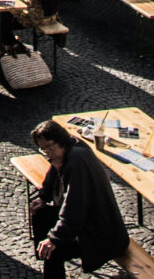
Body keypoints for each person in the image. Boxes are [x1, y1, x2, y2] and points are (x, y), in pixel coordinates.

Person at [25, 117, 128, 279]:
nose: (48, 154)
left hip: (100, 232)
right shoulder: (69, 147)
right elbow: (53, 170)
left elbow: (74, 207)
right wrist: (43, 197)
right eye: (44, 150)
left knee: (53, 252)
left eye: (50, 148)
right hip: (87, 221)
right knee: (41, 214)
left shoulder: (76, 162)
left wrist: (54, 239)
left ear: (60, 141)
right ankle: (44, 252)